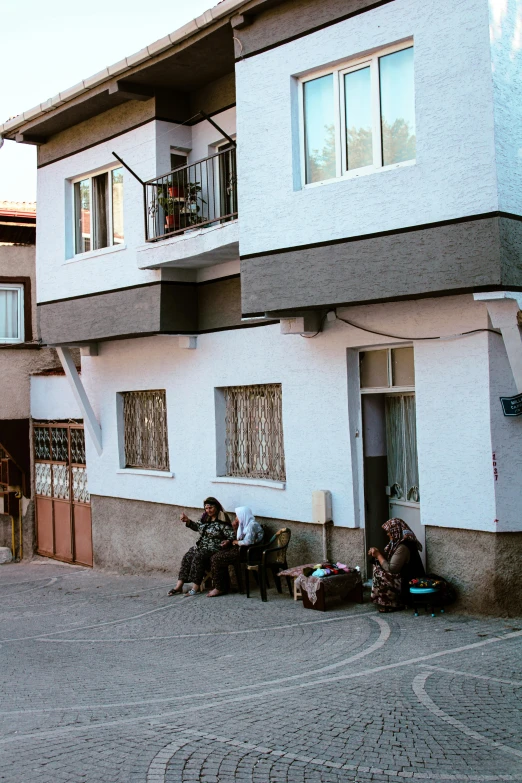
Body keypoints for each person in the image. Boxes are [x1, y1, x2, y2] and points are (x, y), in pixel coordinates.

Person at [168, 497, 234, 596]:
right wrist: (188, 521)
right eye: (206, 508)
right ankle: (179, 586)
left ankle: (195, 587)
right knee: (188, 555)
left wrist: (228, 541)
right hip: (202, 547)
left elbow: (232, 534)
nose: (208, 510)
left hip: (214, 548)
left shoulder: (222, 520)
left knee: (199, 556)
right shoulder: (205, 518)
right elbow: (197, 527)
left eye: (211, 508)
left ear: (216, 507)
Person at [368, 518, 425, 612]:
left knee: (380, 572)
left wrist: (378, 555)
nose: (388, 534)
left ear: (395, 531)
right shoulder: (398, 543)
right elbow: (390, 559)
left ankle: (394, 603)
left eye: (389, 532)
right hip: (405, 577)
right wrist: (377, 554)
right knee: (377, 565)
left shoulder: (403, 547)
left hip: (409, 581)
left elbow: (392, 569)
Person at [207, 506, 264, 598]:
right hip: (241, 550)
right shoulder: (244, 525)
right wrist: (234, 528)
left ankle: (219, 588)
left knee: (216, 558)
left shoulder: (252, 525)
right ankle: (223, 586)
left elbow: (247, 542)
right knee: (216, 555)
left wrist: (235, 542)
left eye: (237, 516)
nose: (236, 518)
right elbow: (238, 538)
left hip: (248, 553)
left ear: (243, 515)